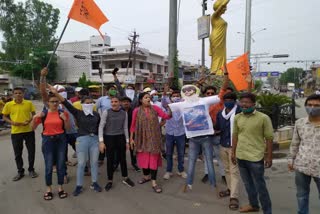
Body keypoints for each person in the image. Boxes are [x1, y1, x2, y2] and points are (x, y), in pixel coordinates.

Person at [48, 84, 103, 196]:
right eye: (86, 103)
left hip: (94, 140)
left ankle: (94, 183)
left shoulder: (97, 115)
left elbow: (100, 128)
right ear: (81, 104)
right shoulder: (78, 113)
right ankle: (79, 185)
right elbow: (65, 102)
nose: (88, 105)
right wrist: (56, 93)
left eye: (90, 103)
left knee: (94, 163)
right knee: (82, 163)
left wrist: (101, 141)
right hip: (82, 140)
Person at [169, 85, 220, 194]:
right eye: (186, 91)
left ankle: (191, 184)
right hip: (198, 138)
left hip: (200, 137)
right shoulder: (186, 103)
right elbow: (168, 105)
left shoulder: (198, 101)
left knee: (195, 162)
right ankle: (212, 185)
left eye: (190, 90)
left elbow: (220, 96)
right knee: (206, 162)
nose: (188, 92)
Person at [232, 92, 273, 213]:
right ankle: (253, 205)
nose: (244, 104)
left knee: (260, 186)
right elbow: (235, 136)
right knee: (248, 184)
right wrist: (233, 152)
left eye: (247, 102)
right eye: (242, 102)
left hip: (256, 158)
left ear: (253, 104)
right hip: (241, 155)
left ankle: (267, 210)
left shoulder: (263, 118)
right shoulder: (237, 117)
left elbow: (269, 138)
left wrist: (269, 157)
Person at [130, 92, 172, 193]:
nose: (148, 99)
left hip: (154, 138)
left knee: (153, 160)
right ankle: (146, 176)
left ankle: (154, 182)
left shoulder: (156, 108)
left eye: (149, 97)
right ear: (141, 100)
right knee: (144, 159)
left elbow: (166, 117)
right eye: (146, 97)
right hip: (141, 139)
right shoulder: (136, 110)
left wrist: (170, 108)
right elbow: (133, 125)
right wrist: (131, 139)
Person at [31, 93, 70, 200]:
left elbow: (68, 128)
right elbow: (32, 128)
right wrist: (35, 118)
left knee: (61, 165)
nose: (55, 103)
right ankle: (48, 189)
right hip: (48, 141)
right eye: (52, 101)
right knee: (49, 166)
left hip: (61, 139)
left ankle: (60, 188)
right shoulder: (43, 114)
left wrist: (65, 119)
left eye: (56, 101)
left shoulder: (63, 113)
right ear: (48, 103)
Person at [288, 94, 320, 214]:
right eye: (310, 105)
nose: (312, 107)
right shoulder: (300, 123)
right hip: (302, 165)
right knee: (301, 195)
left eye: (317, 105)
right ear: (305, 106)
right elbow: (295, 143)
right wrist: (291, 159)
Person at [99, 97, 135, 191]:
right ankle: (110, 180)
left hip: (120, 137)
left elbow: (125, 128)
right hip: (109, 138)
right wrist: (101, 141)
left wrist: (127, 141)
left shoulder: (124, 113)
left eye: (116, 102)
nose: (114, 103)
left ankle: (125, 177)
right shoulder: (106, 112)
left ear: (120, 103)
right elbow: (101, 127)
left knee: (123, 159)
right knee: (110, 160)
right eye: (112, 102)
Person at [2, 87, 38, 181]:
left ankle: (31, 170)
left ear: (23, 94)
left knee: (31, 151)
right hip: (16, 132)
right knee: (18, 153)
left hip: (28, 131)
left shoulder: (28, 103)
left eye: (20, 93)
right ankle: (20, 171)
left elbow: (34, 114)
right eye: (16, 93)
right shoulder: (9, 104)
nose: (18, 94)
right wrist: (12, 122)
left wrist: (29, 120)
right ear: (13, 94)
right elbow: (4, 116)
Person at [215, 92, 241, 210]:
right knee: (226, 170)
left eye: (231, 99)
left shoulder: (239, 112)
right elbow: (218, 128)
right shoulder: (220, 114)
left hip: (234, 146)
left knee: (234, 171)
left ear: (235, 101)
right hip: (223, 145)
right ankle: (230, 190)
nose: (228, 101)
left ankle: (234, 197)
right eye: (226, 99)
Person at [162, 90, 187, 180]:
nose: (175, 97)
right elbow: (164, 100)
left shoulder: (183, 106)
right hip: (169, 133)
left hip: (181, 133)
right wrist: (165, 92)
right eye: (174, 96)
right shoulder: (167, 106)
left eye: (177, 96)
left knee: (181, 153)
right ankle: (169, 171)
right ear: (171, 97)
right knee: (169, 153)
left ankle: (181, 170)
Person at [209, 0, 230, 74]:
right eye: (224, 7)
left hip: (221, 39)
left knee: (221, 55)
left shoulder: (220, 18)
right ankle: (216, 71)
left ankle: (220, 71)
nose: (225, 8)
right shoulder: (214, 17)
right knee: (217, 55)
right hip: (216, 38)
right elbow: (222, 5)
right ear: (219, 8)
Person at [120, 96, 140, 172]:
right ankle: (119, 163)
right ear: (121, 103)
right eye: (124, 102)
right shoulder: (119, 111)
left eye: (127, 102)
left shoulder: (134, 111)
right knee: (121, 149)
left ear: (130, 103)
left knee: (133, 148)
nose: (126, 103)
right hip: (121, 133)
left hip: (132, 132)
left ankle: (134, 163)